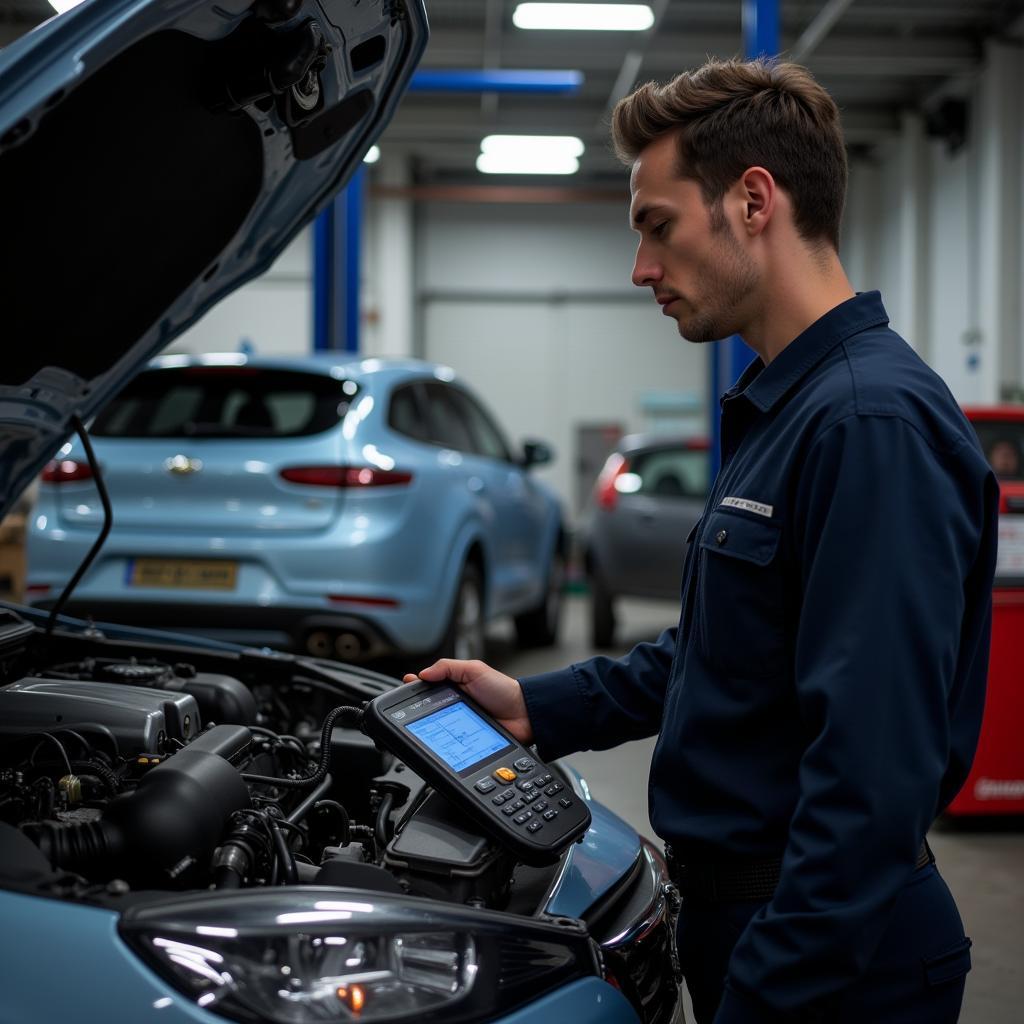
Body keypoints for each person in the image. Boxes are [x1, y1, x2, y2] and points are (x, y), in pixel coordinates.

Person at [404, 58, 998, 1024]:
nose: (641, 269)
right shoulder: (793, 408)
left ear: (753, 201)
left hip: (827, 957)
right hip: (758, 922)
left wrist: (769, 997)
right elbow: (727, 650)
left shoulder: (867, 423)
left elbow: (873, 778)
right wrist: (536, 705)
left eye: (656, 225)